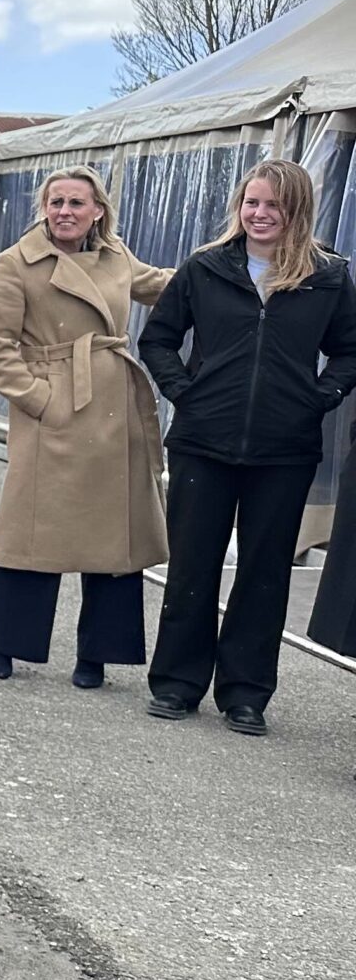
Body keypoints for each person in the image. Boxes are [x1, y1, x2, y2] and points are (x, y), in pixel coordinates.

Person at [138, 159, 356, 733]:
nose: (259, 215)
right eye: (251, 203)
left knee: (264, 572)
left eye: (273, 206)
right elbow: (158, 338)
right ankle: (178, 684)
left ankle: (246, 692)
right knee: (192, 564)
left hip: (284, 449)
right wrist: (185, 392)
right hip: (202, 441)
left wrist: (320, 397)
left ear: (296, 213)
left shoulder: (327, 277)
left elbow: (349, 349)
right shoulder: (206, 268)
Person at [0, 167, 172, 685]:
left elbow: (164, 287)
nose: (65, 211)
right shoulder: (16, 263)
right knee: (30, 531)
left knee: (113, 535)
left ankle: (97, 655)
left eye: (76, 203)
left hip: (111, 404)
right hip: (54, 403)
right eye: (56, 201)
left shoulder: (117, 257)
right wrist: (40, 399)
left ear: (98, 210)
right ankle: (6, 644)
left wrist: (234, 268)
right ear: (44, 207)